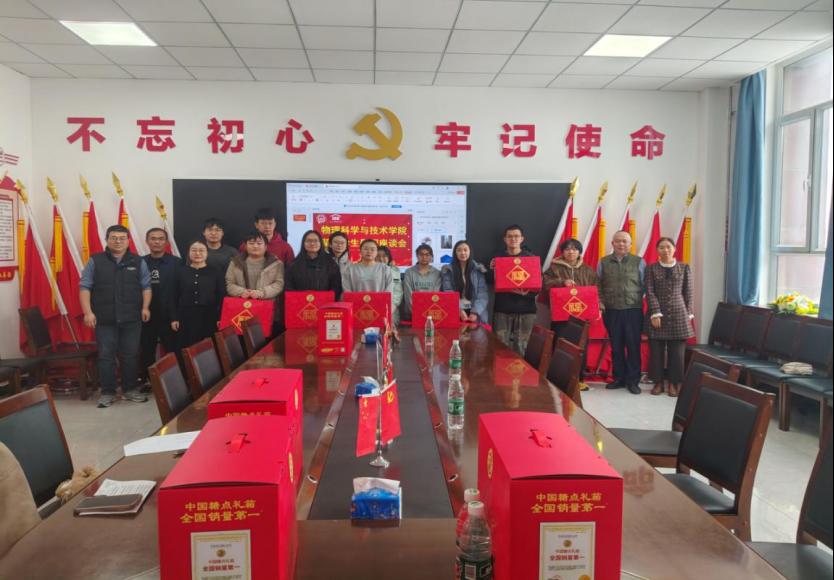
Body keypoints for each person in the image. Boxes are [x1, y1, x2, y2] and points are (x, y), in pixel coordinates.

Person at [79, 225, 152, 408]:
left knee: (130, 355)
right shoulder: (95, 261)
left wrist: (145, 307)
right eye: (114, 238)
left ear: (128, 241)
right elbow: (85, 287)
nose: (118, 241)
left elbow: (146, 286)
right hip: (105, 318)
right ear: (107, 240)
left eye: (122, 238)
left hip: (132, 317)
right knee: (106, 356)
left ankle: (130, 389)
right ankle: (108, 392)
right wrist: (88, 312)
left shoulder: (138, 261)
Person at [542, 238, 598, 389]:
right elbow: (545, 284)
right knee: (561, 346)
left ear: (579, 252)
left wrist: (600, 308)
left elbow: (597, 291)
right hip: (561, 317)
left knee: (581, 348)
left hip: (582, 317)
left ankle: (578, 380)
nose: (571, 252)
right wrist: (562, 282)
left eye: (574, 249)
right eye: (567, 249)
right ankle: (558, 379)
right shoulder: (554, 268)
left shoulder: (588, 270)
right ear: (562, 252)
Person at [597, 230, 646, 395]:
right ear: (612, 243)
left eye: (625, 241)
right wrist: (601, 303)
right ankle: (618, 378)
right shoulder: (603, 262)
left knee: (633, 346)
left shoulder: (639, 262)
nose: (621, 244)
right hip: (611, 310)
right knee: (616, 346)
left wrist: (634, 299)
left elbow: (645, 285)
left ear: (630, 244)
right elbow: (598, 285)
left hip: (633, 310)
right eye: (618, 241)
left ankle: (633, 381)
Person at [645, 237, 694, 397]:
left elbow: (688, 292)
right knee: (656, 351)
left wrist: (688, 313)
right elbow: (649, 291)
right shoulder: (651, 268)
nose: (665, 250)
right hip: (656, 315)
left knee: (677, 353)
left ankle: (674, 383)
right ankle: (658, 382)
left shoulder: (684, 267)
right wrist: (655, 312)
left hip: (679, 313)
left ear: (674, 249)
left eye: (668, 247)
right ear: (657, 250)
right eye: (661, 247)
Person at [488, 224, 539, 355]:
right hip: (502, 310)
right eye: (510, 236)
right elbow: (489, 283)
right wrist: (491, 270)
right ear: (505, 239)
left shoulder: (531, 259)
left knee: (523, 350)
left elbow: (538, 286)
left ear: (522, 239)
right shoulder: (497, 259)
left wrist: (526, 293)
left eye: (516, 236)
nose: (513, 239)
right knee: (499, 349)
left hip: (526, 310)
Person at [169, 240, 226, 350]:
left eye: (201, 250)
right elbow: (173, 296)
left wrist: (220, 317)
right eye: (194, 250)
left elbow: (221, 295)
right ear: (189, 253)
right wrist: (174, 318)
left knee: (209, 348)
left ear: (207, 253)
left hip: (209, 316)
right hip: (185, 316)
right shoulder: (180, 272)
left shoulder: (216, 272)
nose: (197, 253)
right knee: (187, 347)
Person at [140, 227, 180, 383]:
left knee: (173, 350)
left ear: (166, 242)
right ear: (147, 241)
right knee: (146, 349)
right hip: (146, 314)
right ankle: (148, 381)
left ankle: (175, 381)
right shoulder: (140, 262)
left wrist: (176, 315)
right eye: (153, 238)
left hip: (170, 315)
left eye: (161, 239)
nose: (157, 242)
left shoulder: (177, 263)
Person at [226, 230, 285, 301]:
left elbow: (278, 284)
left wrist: (261, 293)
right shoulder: (235, 262)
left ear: (266, 246)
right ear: (245, 246)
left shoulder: (276, 264)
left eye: (259, 243)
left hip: (267, 304)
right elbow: (229, 283)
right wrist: (241, 292)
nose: (255, 246)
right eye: (251, 243)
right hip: (242, 303)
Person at [441, 240, 489, 324]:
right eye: (459, 250)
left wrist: (475, 312)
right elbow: (448, 292)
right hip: (456, 312)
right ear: (455, 253)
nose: (462, 253)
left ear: (470, 252)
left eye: (465, 250)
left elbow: (482, 294)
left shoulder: (478, 270)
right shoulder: (448, 271)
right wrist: (459, 310)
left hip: (475, 312)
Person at [284, 230, 342, 297]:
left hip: (325, 301)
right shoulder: (294, 265)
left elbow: (336, 287)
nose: (312, 243)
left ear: (320, 243)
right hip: (300, 302)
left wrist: (327, 297)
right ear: (303, 243)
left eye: (315, 241)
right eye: (308, 241)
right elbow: (288, 287)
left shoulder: (330, 263)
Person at [402, 244, 442, 321]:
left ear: (431, 257)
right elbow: (408, 296)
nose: (424, 257)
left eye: (427, 255)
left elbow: (435, 294)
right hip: (412, 314)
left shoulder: (437, 273)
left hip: (431, 314)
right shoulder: (409, 272)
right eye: (421, 254)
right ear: (417, 256)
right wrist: (416, 313)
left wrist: (429, 312)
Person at [376, 245, 403, 325]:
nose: (381, 259)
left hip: (391, 310)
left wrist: (391, 309)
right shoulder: (370, 270)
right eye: (378, 256)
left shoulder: (395, 270)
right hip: (373, 307)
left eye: (384, 256)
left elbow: (398, 292)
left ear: (389, 257)